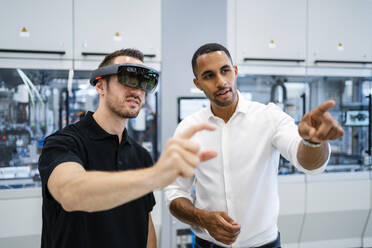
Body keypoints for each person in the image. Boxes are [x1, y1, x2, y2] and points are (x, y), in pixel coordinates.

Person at [165, 43, 344, 248]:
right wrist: (201, 218)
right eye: (209, 76)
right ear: (198, 84)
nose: (221, 82)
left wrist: (312, 142)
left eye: (225, 71)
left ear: (235, 71)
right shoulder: (188, 129)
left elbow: (309, 164)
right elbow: (175, 193)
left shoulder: (269, 117)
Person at [38, 48, 217, 248]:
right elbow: (70, 193)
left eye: (144, 82)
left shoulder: (140, 156)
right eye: (127, 78)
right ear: (100, 85)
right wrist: (156, 175)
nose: (137, 90)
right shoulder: (63, 142)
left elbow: (145, 224)